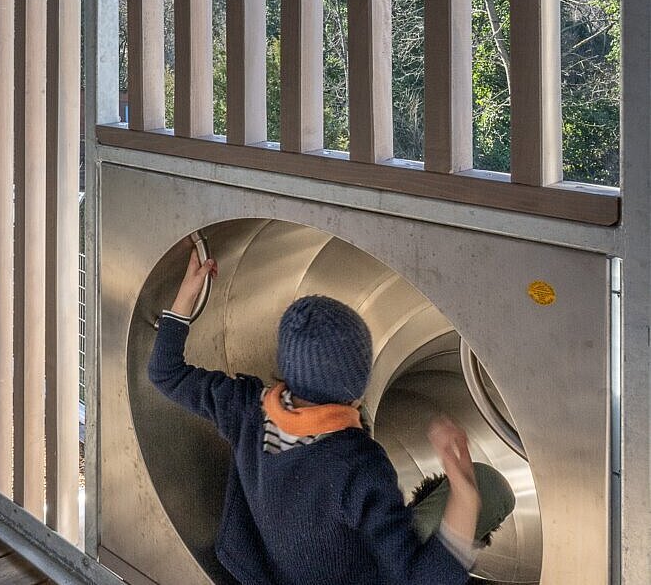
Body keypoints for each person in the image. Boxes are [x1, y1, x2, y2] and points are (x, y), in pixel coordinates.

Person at [148, 243, 515, 585]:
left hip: (267, 570)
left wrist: (187, 294)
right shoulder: (360, 466)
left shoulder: (245, 406)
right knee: (490, 486)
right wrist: (465, 495)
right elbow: (418, 578)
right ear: (358, 385)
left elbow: (165, 372)